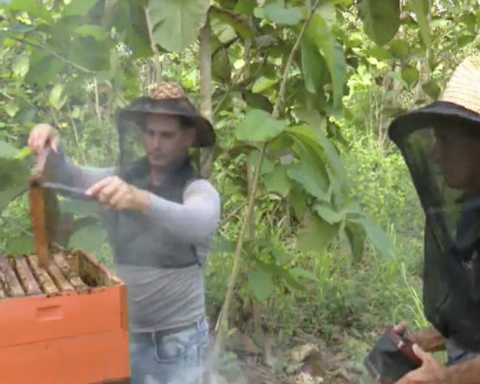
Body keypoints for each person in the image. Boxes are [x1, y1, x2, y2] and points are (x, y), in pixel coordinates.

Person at [28, 82, 221, 384]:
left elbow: (197, 221)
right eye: (150, 133)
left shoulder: (197, 189)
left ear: (188, 138)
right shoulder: (123, 178)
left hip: (176, 342)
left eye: (166, 135)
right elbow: (72, 176)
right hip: (123, 333)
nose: (155, 144)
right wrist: (52, 146)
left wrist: (140, 200)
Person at [386, 57, 480, 383]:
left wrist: (444, 378)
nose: (436, 156)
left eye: (447, 141)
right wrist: (425, 340)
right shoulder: (472, 210)